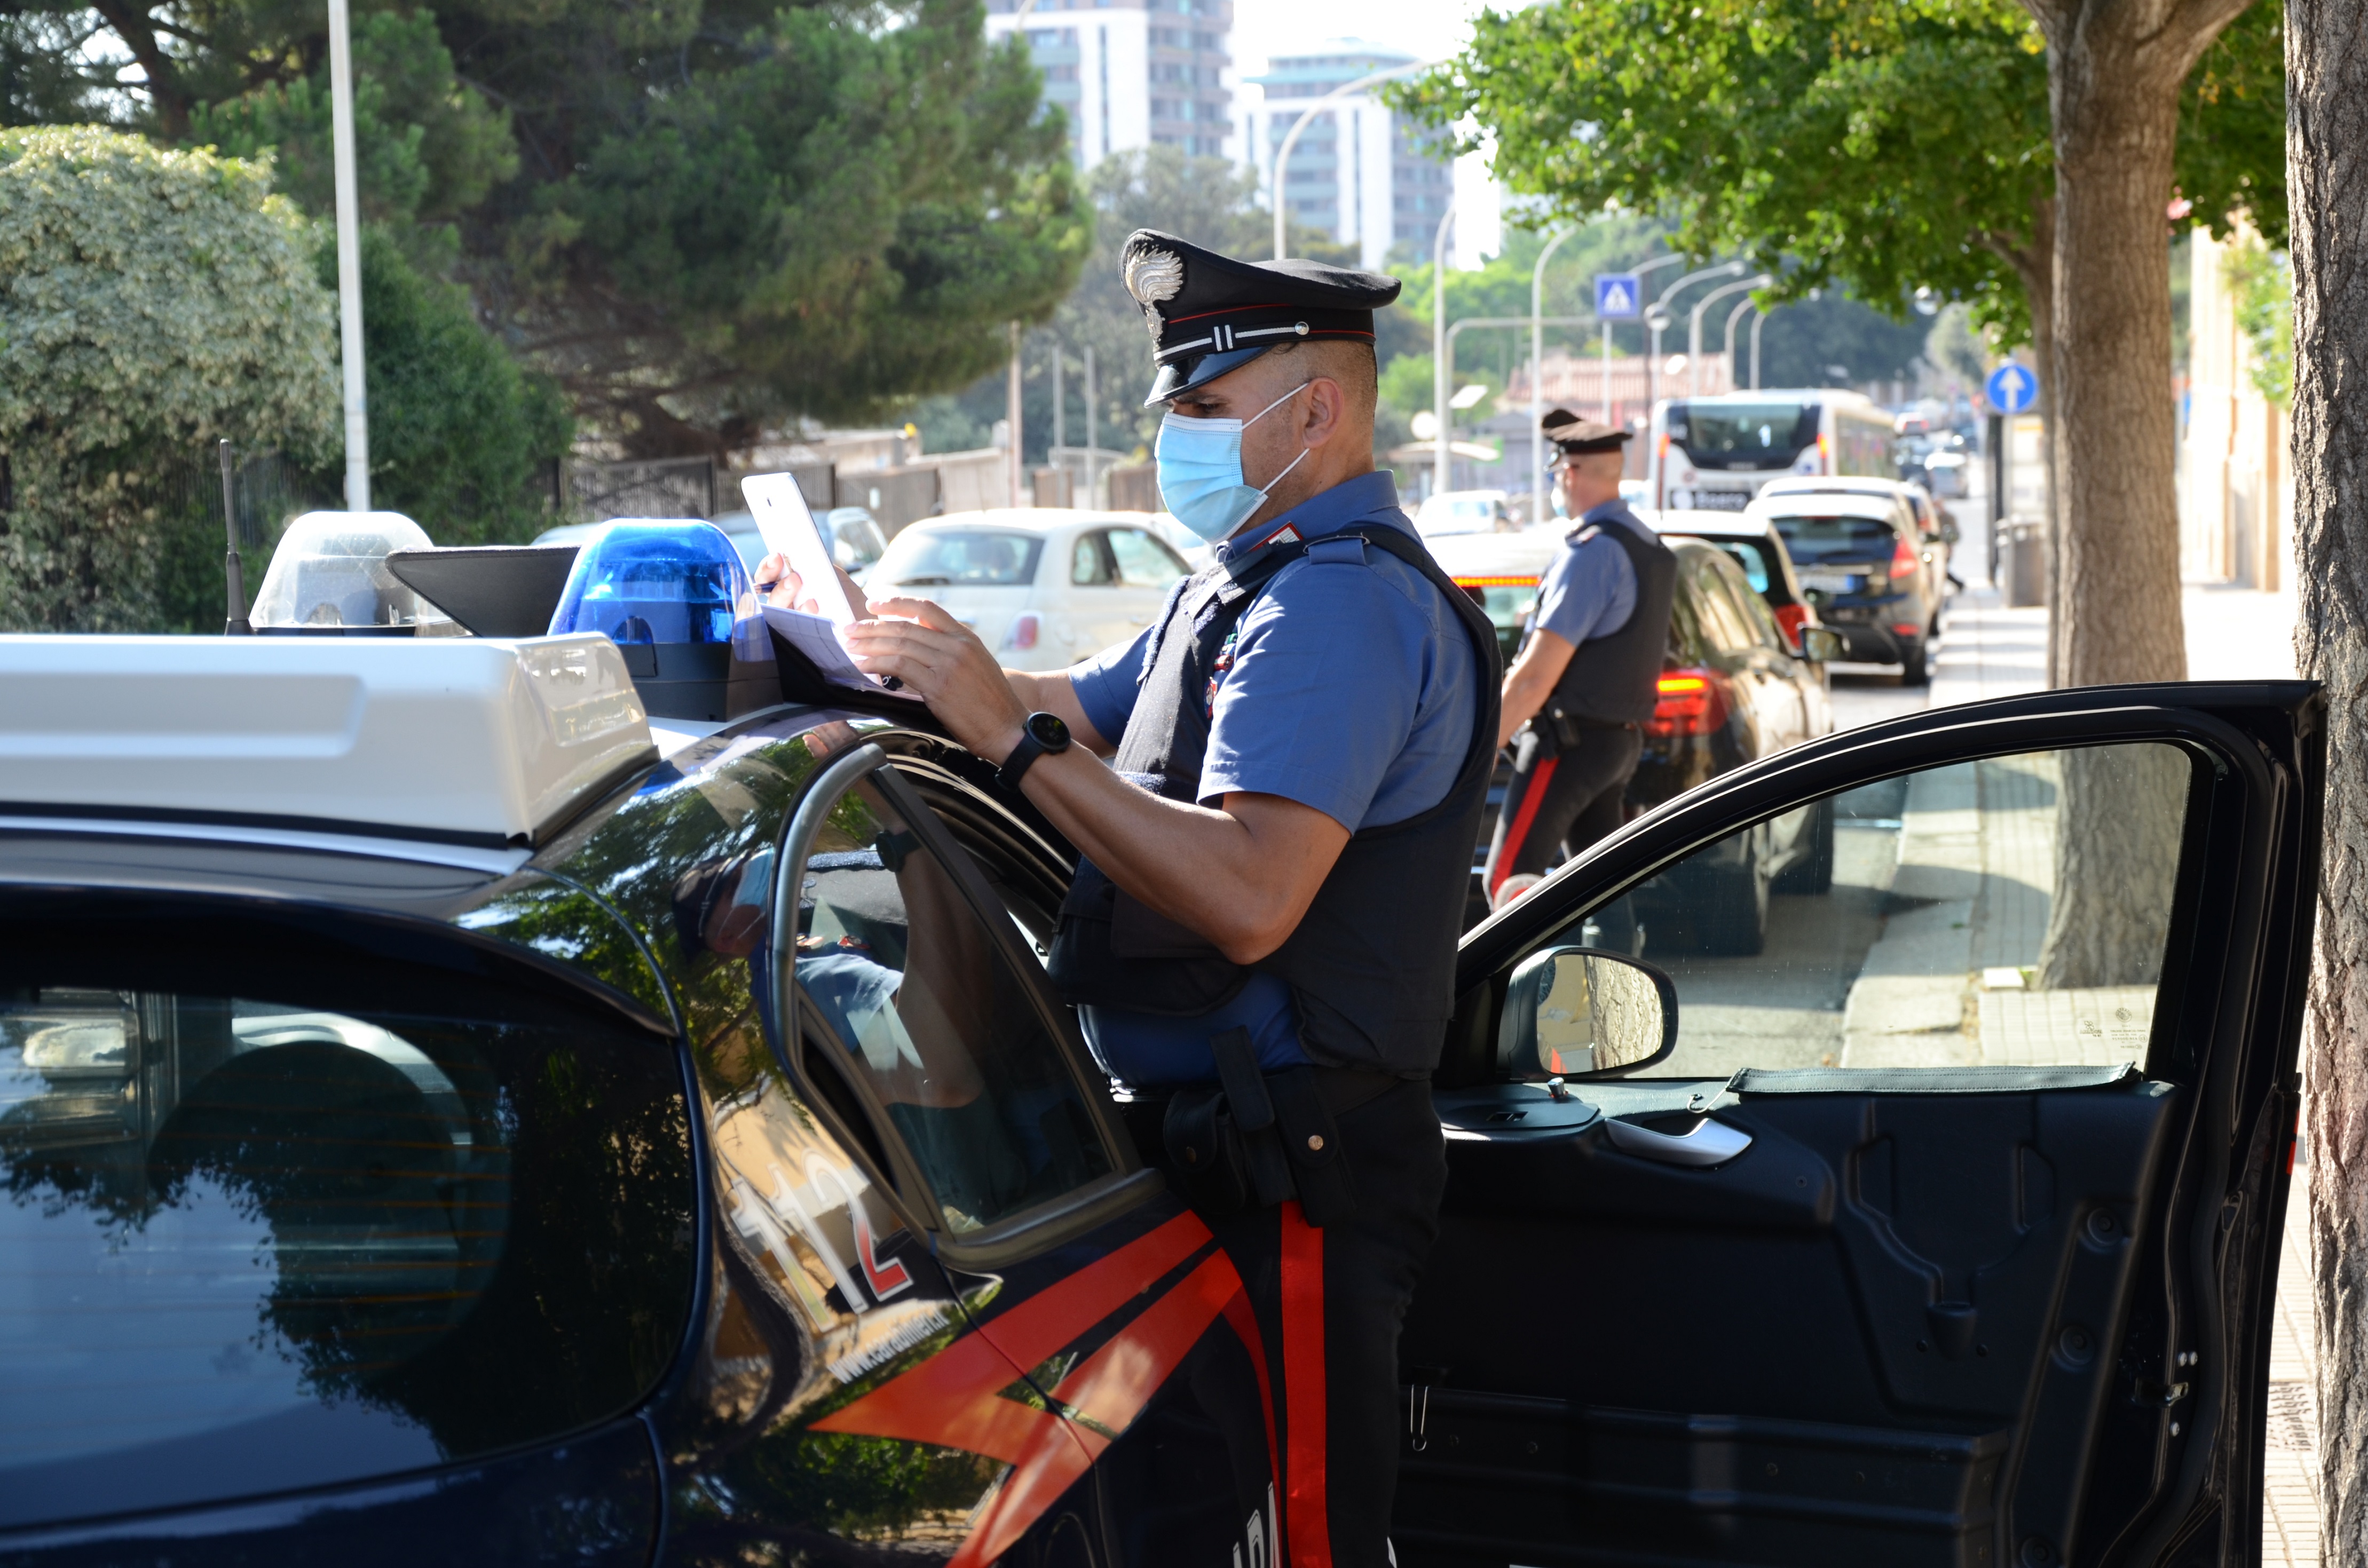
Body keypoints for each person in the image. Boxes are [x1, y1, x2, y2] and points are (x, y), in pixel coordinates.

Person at [833, 229, 1500, 1568]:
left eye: (1202, 407)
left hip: (1291, 1175)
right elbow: (1063, 707)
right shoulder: (1241, 582)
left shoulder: (1335, 607)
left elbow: (1251, 894)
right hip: (1206, 1160)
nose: (1176, 440)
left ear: (1311, 410)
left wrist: (1013, 743)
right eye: (1175, 410)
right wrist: (878, 665)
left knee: (1294, 1541)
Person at [1482, 411, 1677, 911]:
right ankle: (1613, 982)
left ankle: (1513, 991)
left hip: (1565, 745)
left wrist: (1476, 752)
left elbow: (1533, 680)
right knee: (1602, 892)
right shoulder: (1644, 543)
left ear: (1568, 472)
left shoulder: (1591, 553)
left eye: (1555, 474)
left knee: (1507, 884)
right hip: (1614, 742)